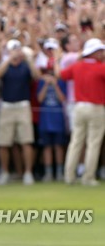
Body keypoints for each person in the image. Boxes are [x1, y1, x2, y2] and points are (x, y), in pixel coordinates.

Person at [57, 38, 105, 186]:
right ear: (94, 52)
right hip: (96, 108)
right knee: (93, 143)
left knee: (75, 142)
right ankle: (88, 177)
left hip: (78, 107)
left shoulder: (77, 66)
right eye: (100, 51)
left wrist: (58, 60)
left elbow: (61, 75)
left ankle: (69, 176)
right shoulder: (101, 68)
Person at [0, 39, 40, 185]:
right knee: (3, 143)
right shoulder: (5, 64)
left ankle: (28, 173)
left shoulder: (26, 65)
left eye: (18, 49)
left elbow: (36, 76)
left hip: (23, 105)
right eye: (13, 49)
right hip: (7, 106)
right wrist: (9, 58)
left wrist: (29, 59)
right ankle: (5, 172)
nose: (16, 52)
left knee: (26, 141)